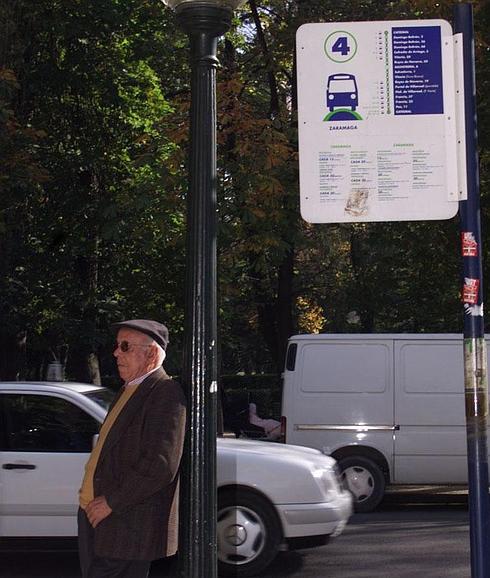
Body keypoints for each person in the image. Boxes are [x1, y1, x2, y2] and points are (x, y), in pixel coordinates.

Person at [78, 319, 186, 578]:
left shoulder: (165, 392)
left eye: (125, 346)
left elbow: (160, 465)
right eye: (117, 346)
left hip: (126, 523)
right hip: (100, 516)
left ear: (151, 353)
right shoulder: (131, 389)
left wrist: (111, 502)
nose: (116, 353)